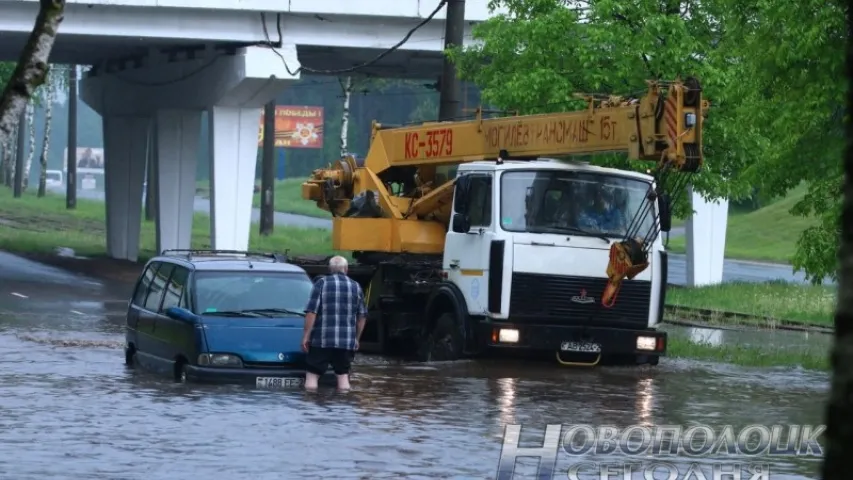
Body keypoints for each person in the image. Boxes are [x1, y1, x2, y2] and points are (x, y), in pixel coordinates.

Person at [301, 255, 367, 392]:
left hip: (321, 340)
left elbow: (311, 312)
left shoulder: (321, 283)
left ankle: (309, 407)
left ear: (330, 269)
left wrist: (306, 336)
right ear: (346, 269)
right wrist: (356, 339)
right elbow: (362, 316)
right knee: (343, 376)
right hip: (346, 342)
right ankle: (342, 408)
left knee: (312, 376)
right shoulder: (356, 286)